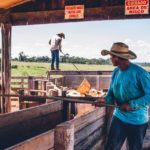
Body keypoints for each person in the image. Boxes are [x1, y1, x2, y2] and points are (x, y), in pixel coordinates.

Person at [97, 42, 150, 150]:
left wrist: (131, 104)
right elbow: (111, 94)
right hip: (119, 117)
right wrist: (105, 100)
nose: (110, 59)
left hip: (137, 120)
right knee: (111, 147)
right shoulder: (116, 72)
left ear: (117, 58)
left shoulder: (140, 73)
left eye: (111, 56)